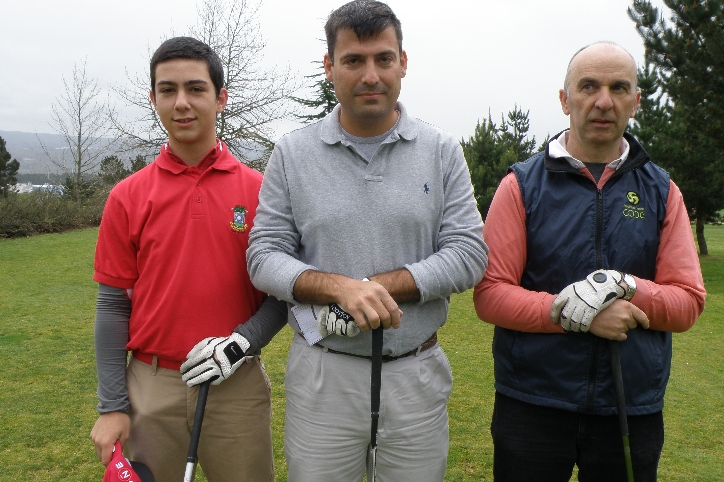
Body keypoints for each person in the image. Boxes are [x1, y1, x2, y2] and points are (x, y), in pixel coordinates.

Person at [246, 1, 488, 480]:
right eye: (354, 60)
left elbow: (469, 252)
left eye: (383, 58)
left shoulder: (442, 151)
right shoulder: (293, 153)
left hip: (415, 372)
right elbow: (263, 255)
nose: (370, 74)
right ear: (330, 67)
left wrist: (379, 286)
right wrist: (340, 288)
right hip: (323, 376)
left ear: (403, 63)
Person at [473, 41, 706, 481]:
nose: (603, 101)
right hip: (532, 402)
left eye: (619, 88)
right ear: (565, 99)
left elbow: (688, 302)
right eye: (588, 86)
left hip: (630, 405)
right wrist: (574, 314)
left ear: (636, 102)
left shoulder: (662, 191)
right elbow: (490, 294)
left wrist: (626, 285)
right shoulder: (520, 185)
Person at [89, 36, 287, 482]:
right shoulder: (127, 196)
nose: (181, 103)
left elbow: (280, 296)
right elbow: (112, 305)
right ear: (153, 98)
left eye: (196, 89)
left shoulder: (262, 191)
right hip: (151, 386)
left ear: (221, 98)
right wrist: (112, 406)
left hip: (235, 383)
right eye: (167, 90)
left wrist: (241, 345)